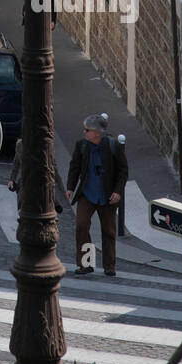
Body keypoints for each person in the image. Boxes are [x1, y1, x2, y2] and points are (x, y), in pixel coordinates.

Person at [66, 112, 129, 277]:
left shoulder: (113, 146)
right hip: (87, 193)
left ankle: (109, 266)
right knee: (82, 225)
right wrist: (70, 187)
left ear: (96, 133)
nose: (84, 132)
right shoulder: (82, 145)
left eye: (87, 130)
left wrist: (117, 191)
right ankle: (86, 264)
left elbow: (123, 171)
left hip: (107, 195)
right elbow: (75, 167)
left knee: (108, 230)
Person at [8, 138, 23, 208]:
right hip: (24, 180)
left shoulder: (40, 144)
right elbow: (16, 164)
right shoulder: (20, 145)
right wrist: (12, 179)